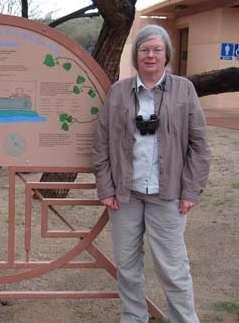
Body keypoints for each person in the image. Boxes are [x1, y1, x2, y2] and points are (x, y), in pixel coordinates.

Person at [92, 24, 211, 323]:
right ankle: (134, 318)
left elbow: (199, 146)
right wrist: (106, 188)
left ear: (166, 54)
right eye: (145, 49)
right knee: (128, 267)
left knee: (173, 269)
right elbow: (101, 142)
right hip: (125, 196)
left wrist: (191, 191)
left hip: (167, 195)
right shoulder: (119, 92)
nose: (150, 55)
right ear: (136, 55)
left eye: (157, 50)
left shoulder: (184, 89)